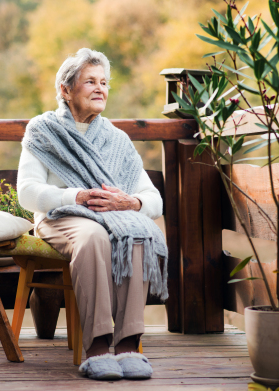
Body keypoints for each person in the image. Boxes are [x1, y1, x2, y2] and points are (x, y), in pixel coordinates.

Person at [17, 48, 167, 381]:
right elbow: (26, 193)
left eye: (104, 82)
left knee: (137, 233)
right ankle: (97, 348)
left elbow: (153, 199)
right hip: (60, 217)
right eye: (90, 82)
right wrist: (78, 196)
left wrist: (131, 204)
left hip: (113, 216)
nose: (100, 88)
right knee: (94, 236)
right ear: (65, 90)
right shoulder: (43, 130)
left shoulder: (117, 139)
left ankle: (128, 345)